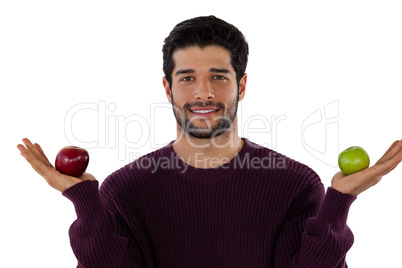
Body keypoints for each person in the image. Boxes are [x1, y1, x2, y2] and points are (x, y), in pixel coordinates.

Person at [17, 15, 402, 268]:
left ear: (242, 85)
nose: (203, 93)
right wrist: (86, 201)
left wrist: (338, 202)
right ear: (167, 89)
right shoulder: (125, 189)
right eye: (187, 78)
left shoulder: (293, 184)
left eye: (219, 76)